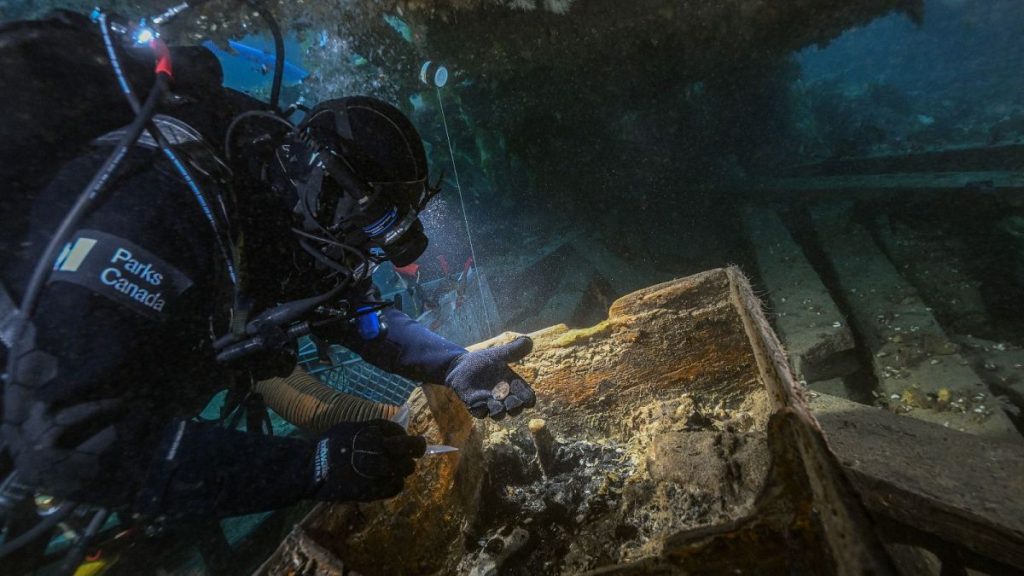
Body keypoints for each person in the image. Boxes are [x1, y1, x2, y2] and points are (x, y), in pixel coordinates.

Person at [0, 8, 536, 533]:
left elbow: (352, 311)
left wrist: (451, 364)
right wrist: (310, 468)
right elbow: (68, 443)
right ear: (324, 193)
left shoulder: (275, 196)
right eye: (371, 227)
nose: (370, 255)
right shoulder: (153, 207)